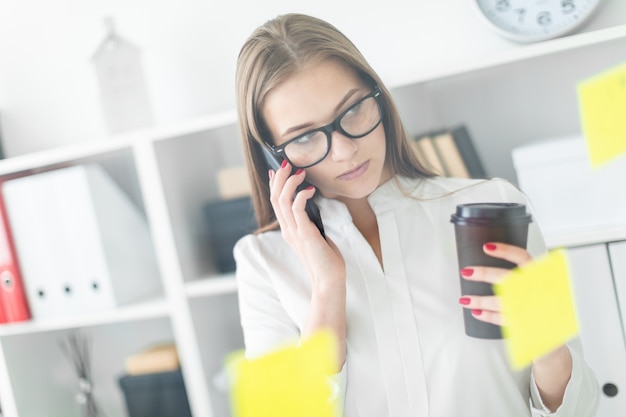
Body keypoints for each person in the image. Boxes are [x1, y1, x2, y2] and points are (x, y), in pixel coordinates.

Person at [233, 13, 599, 417]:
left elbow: (580, 408)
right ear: (272, 155)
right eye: (303, 137)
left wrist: (546, 341)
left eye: (352, 110)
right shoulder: (263, 263)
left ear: (379, 97)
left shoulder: (492, 209)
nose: (343, 151)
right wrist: (327, 286)